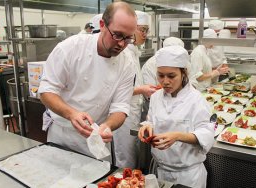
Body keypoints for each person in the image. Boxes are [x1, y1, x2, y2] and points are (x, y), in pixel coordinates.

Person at [38, 2, 137, 160]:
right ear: (102, 25)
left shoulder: (127, 62)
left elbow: (121, 107)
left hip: (97, 139)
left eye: (128, 38)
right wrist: (71, 114)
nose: (121, 44)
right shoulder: (71, 48)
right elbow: (46, 91)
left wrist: (107, 126)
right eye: (117, 35)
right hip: (63, 135)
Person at [138, 45, 215, 188]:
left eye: (171, 76)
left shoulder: (196, 99)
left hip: (188, 176)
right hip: (160, 172)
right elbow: (151, 120)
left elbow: (207, 134)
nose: (165, 81)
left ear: (183, 73)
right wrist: (147, 127)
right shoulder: (155, 97)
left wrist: (178, 136)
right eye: (160, 75)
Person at [113, 10, 157, 168]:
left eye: (147, 30)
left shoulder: (133, 52)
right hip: (123, 114)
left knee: (134, 152)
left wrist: (143, 89)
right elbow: (115, 90)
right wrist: (142, 89)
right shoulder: (123, 53)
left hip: (134, 111)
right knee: (126, 156)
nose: (145, 34)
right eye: (142, 29)